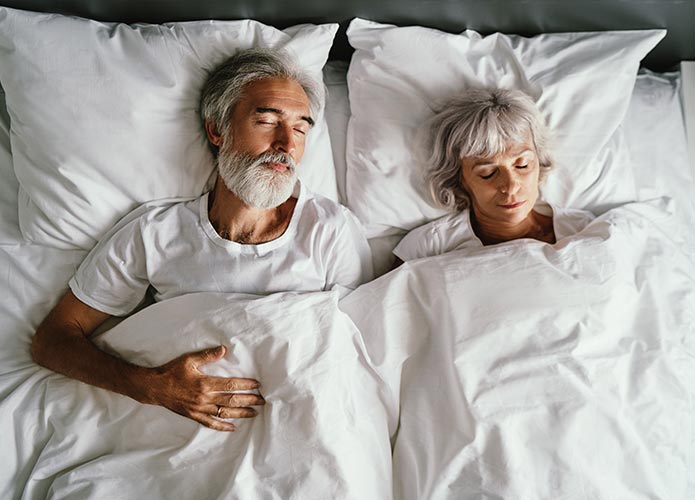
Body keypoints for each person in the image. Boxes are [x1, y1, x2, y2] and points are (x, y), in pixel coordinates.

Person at [31, 48, 373, 432]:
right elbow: (53, 341)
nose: (286, 145)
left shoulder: (331, 230)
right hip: (181, 435)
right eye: (266, 120)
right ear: (217, 130)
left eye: (300, 128)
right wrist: (151, 386)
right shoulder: (154, 233)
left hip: (304, 427)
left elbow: (362, 355)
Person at [394, 88, 595, 261]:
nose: (510, 185)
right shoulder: (428, 248)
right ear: (458, 179)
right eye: (488, 173)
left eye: (522, 165)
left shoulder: (584, 229)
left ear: (539, 162)